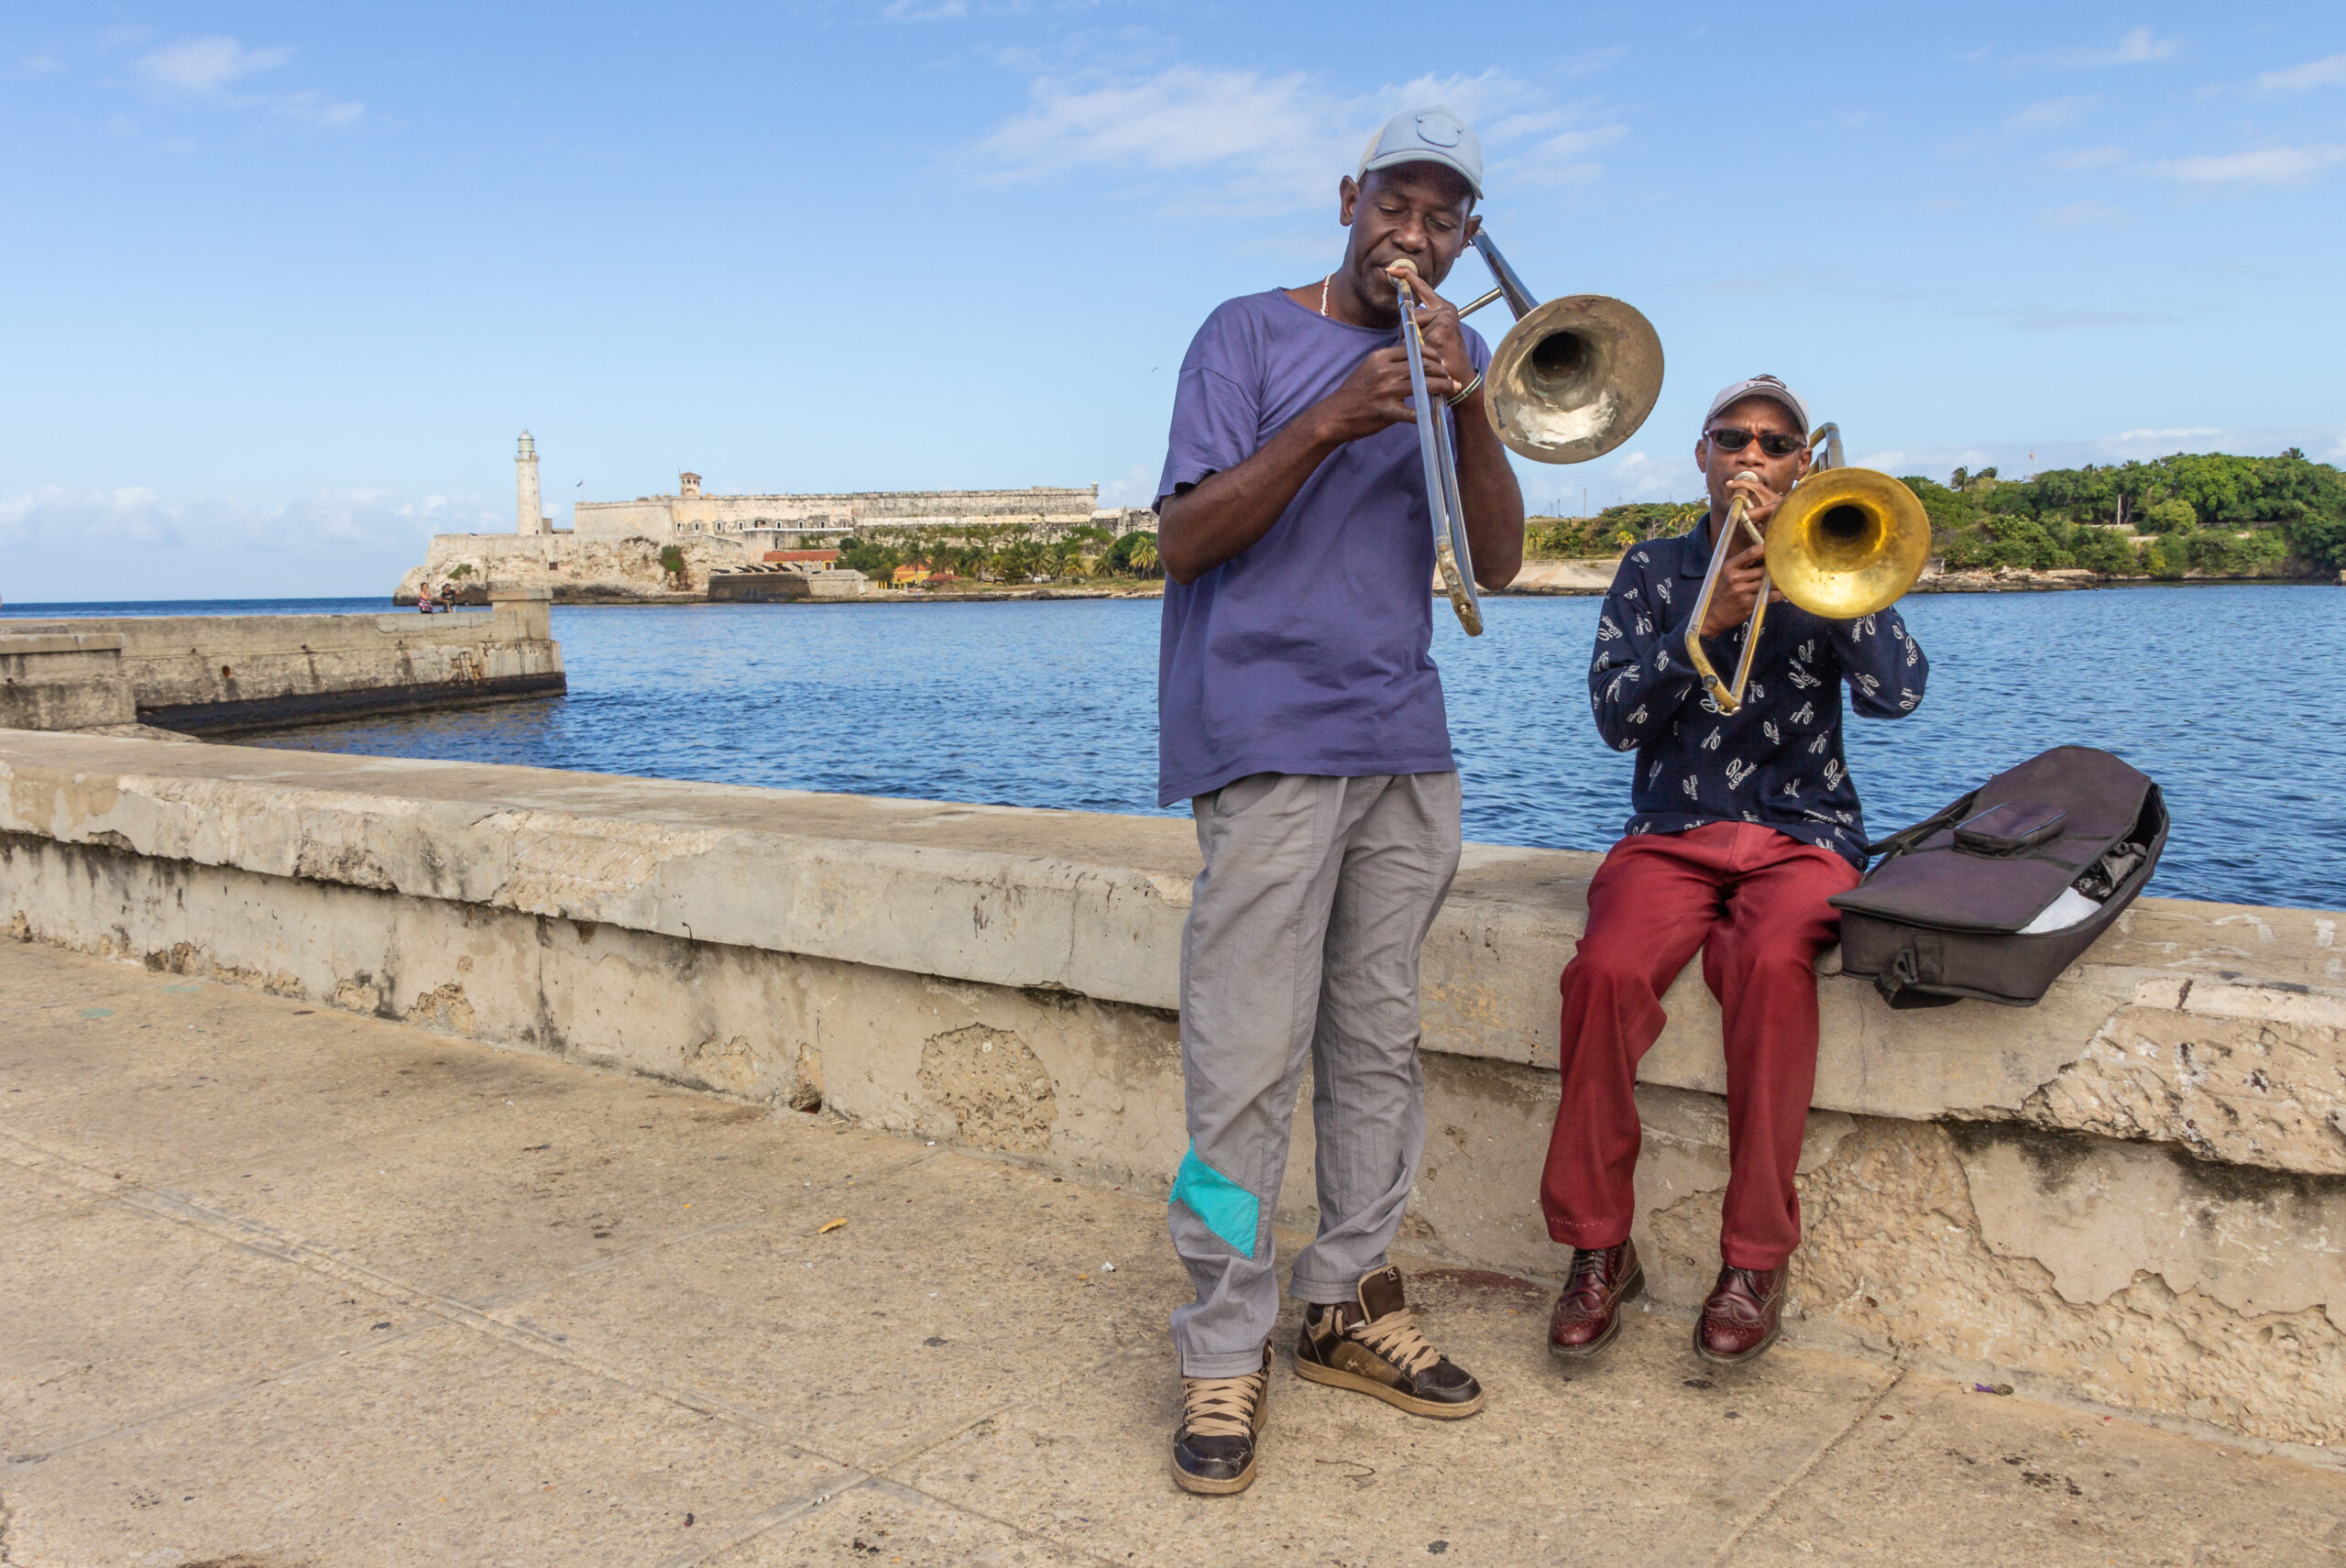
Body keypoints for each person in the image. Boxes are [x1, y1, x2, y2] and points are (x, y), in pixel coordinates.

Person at [1151, 105, 1525, 1496]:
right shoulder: (1244, 334)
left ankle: (1349, 1302)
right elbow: (1185, 537)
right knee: (1240, 1069)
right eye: (1397, 204)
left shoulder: (1458, 354)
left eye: (1444, 218)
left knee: (1378, 1045)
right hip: (1263, 744)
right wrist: (1332, 418)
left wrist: (1466, 398)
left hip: (1404, 746)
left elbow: (1494, 558)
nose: (1413, 236)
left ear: (1468, 237)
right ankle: (1219, 1338)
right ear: (1350, 196)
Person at [1540, 376, 1927, 1367]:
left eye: (1774, 442)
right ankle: (1596, 1246)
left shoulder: (1834, 546)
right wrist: (1697, 627)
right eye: (1732, 438)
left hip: (1802, 834)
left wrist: (1827, 571)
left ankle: (1753, 1261)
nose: (1751, 456)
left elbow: (1899, 694)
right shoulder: (1651, 568)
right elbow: (1613, 718)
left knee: (1767, 971)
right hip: (1671, 830)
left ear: (1804, 460)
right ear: (1701, 455)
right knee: (1604, 974)